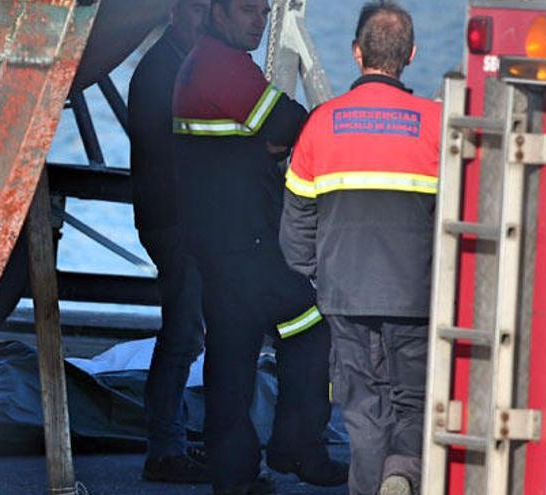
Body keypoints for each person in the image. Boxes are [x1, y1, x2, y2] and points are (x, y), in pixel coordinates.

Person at [172, 0, 347, 492]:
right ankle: (298, 448)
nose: (258, 21)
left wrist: (264, 142)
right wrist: (271, 140)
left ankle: (235, 477)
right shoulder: (223, 68)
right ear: (217, 13)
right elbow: (292, 121)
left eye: (264, 14)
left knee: (231, 357)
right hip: (247, 246)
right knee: (311, 326)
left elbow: (268, 132)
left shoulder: (205, 62)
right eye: (247, 11)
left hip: (217, 246)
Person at [279, 2, 440, 494]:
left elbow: (296, 225)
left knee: (362, 411)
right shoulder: (435, 125)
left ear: (356, 53)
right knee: (414, 403)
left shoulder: (321, 124)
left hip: (344, 296)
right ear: (410, 54)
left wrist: (321, 272)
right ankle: (402, 473)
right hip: (414, 297)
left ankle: (373, 484)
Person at [128, 0, 211, 484]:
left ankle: (172, 437)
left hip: (169, 215)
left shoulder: (171, 65)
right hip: (174, 219)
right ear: (177, 13)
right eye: (198, 11)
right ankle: (165, 449)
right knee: (182, 333)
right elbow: (176, 150)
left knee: (185, 330)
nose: (204, 22)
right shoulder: (165, 71)